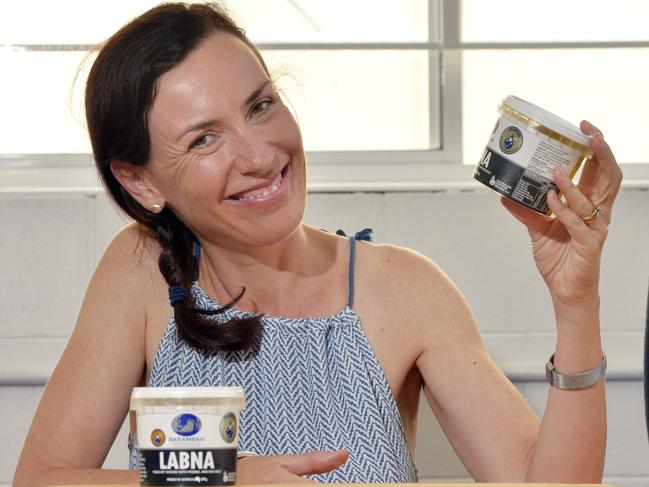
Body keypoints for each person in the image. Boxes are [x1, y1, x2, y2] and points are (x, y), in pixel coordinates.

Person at [13, 3, 622, 486]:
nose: (259, 156)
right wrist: (223, 480)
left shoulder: (404, 289)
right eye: (204, 140)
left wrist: (577, 304)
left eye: (261, 106)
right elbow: (42, 478)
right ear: (140, 180)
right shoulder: (143, 272)